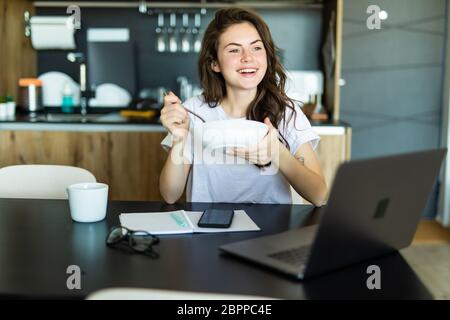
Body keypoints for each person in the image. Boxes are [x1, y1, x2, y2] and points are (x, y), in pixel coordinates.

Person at [159, 7, 327, 206]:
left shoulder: (285, 113)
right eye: (234, 50)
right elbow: (170, 195)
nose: (248, 57)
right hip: (209, 229)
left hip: (271, 232)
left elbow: (319, 195)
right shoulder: (193, 112)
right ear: (215, 63)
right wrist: (180, 138)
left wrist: (277, 153)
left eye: (256, 48)